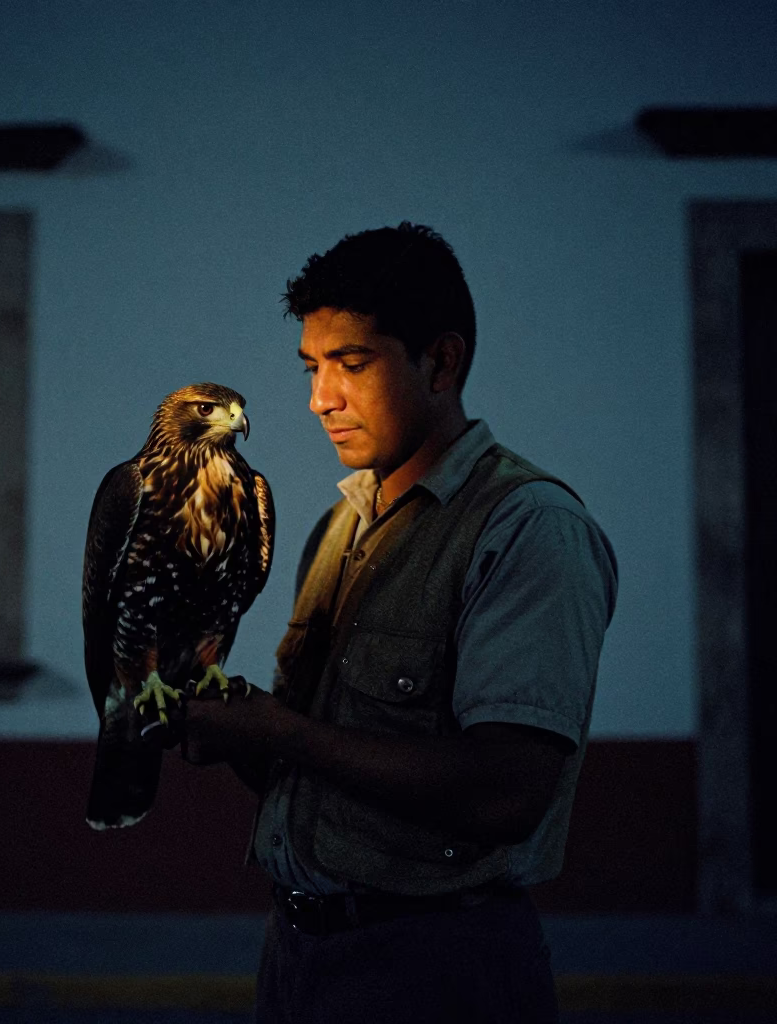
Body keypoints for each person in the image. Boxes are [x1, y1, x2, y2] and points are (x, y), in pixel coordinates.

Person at [179, 222, 618, 1023]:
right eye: (312, 368)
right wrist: (232, 728)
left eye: (353, 363)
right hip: (301, 957)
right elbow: (319, 763)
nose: (320, 398)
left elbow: (507, 793)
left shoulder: (526, 528)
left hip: (438, 970)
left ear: (441, 362)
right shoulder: (338, 529)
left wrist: (276, 729)